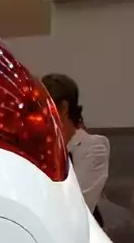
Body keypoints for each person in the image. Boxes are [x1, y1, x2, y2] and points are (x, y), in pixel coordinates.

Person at [41, 73, 109, 224]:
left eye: (42, 108)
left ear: (63, 108)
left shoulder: (93, 147)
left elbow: (79, 205)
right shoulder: (39, 148)